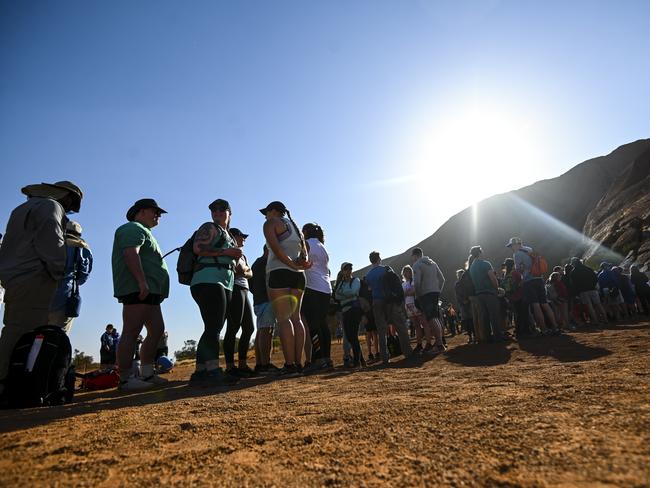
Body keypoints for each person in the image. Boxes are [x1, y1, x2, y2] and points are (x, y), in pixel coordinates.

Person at [0, 180, 83, 396]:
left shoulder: (22, 208)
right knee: (21, 332)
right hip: (33, 277)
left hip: (15, 277)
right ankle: (7, 385)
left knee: (14, 328)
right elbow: (52, 242)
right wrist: (58, 271)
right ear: (64, 196)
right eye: (71, 203)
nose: (70, 208)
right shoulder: (50, 207)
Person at [112, 198, 169, 390]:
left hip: (149, 290)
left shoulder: (145, 232)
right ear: (141, 212)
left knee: (157, 330)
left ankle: (146, 374)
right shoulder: (132, 228)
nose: (158, 215)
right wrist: (141, 281)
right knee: (131, 330)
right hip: (138, 288)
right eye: (155, 211)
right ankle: (126, 380)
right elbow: (131, 253)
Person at [188, 199, 241, 385]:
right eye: (213, 209)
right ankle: (212, 371)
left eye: (221, 209)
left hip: (223, 282)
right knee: (214, 327)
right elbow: (198, 248)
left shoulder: (228, 235)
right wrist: (226, 252)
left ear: (229, 212)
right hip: (208, 280)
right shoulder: (209, 228)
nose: (217, 212)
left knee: (212, 326)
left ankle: (201, 372)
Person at [261, 201, 311, 375]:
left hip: (279, 271)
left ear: (274, 211)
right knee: (296, 318)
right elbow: (305, 255)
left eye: (266, 212)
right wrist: (298, 266)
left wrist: (290, 264)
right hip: (298, 276)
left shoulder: (270, 223)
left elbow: (275, 249)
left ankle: (289, 365)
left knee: (283, 319)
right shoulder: (297, 229)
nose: (265, 215)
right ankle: (298, 363)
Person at [364, 251, 412, 365]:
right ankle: (408, 352)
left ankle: (385, 358)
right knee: (399, 326)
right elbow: (395, 283)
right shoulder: (386, 269)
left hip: (376, 301)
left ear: (370, 260)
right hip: (389, 301)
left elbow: (369, 288)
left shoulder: (368, 275)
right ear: (379, 258)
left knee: (381, 330)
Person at [506, 237, 559, 335]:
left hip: (529, 281)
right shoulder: (529, 249)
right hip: (539, 278)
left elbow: (518, 269)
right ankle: (555, 327)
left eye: (512, 246)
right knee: (545, 304)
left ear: (516, 244)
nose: (511, 248)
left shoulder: (517, 254)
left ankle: (544, 330)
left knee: (536, 305)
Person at [48, 220, 93, 333]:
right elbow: (83, 277)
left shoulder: (50, 242)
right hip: (64, 298)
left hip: (40, 295)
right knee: (56, 337)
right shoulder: (82, 248)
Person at [301, 223, 334, 372]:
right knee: (323, 324)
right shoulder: (322, 246)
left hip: (312, 287)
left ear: (306, 232)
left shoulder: (306, 244)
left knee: (313, 325)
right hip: (326, 289)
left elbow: (301, 260)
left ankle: (318, 359)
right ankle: (327, 358)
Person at [223, 227, 255, 377]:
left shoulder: (243, 255)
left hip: (244, 289)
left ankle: (242, 364)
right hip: (235, 288)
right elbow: (239, 270)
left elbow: (249, 272)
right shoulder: (231, 250)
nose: (244, 239)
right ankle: (230, 366)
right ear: (234, 237)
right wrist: (245, 270)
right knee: (233, 326)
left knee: (249, 327)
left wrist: (246, 270)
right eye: (241, 236)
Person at [249, 246, 279, 373]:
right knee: (267, 331)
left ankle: (260, 364)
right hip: (266, 300)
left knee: (262, 331)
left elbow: (250, 284)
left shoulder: (256, 263)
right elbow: (269, 282)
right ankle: (265, 364)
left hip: (259, 300)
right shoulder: (266, 263)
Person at [410, 248, 445, 352]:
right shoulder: (433, 263)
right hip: (435, 293)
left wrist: (418, 296)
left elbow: (417, 283)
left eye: (412, 256)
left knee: (431, 318)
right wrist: (438, 291)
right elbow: (442, 279)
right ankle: (440, 343)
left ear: (415, 255)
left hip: (425, 294)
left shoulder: (416, 265)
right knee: (435, 317)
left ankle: (439, 345)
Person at [468, 246, 505, 342]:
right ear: (480, 253)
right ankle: (498, 336)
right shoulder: (485, 264)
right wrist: (497, 289)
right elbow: (493, 278)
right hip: (489, 292)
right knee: (494, 315)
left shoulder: (472, 267)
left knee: (484, 317)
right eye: (482, 251)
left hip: (479, 294)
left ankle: (487, 337)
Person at [334, 262, 365, 367]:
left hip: (354, 310)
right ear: (342, 271)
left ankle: (357, 361)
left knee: (353, 336)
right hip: (346, 311)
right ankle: (361, 360)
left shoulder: (355, 280)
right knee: (351, 337)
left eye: (350, 268)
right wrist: (348, 294)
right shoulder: (341, 284)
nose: (348, 270)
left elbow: (353, 292)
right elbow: (337, 296)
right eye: (346, 269)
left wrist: (343, 294)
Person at [569, 257, 608, 325]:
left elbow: (574, 284)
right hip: (593, 289)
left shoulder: (573, 272)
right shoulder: (588, 269)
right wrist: (593, 286)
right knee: (599, 304)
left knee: (589, 306)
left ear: (574, 263)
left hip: (583, 291)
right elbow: (595, 278)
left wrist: (577, 293)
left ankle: (596, 321)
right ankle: (605, 319)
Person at [401, 265, 430, 352]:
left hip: (417, 304)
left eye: (408, 271)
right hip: (408, 306)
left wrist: (406, 293)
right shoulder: (403, 284)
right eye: (405, 272)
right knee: (416, 325)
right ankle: (419, 344)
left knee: (424, 323)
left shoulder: (414, 281)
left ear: (411, 273)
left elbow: (414, 291)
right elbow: (406, 294)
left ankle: (428, 343)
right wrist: (407, 293)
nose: (406, 273)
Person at [501, 258, 528, 337]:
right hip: (519, 295)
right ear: (513, 264)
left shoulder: (505, 275)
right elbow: (522, 282)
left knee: (516, 314)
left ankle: (518, 330)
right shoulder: (515, 273)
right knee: (521, 314)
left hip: (511, 297)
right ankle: (522, 331)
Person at [454, 269, 475, 343]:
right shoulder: (457, 284)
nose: (460, 276)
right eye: (459, 275)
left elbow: (470, 291)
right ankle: (470, 336)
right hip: (462, 304)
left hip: (469, 302)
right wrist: (462, 301)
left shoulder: (467, 282)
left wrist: (468, 299)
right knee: (467, 320)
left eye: (461, 274)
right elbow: (457, 295)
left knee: (472, 319)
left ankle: (475, 335)